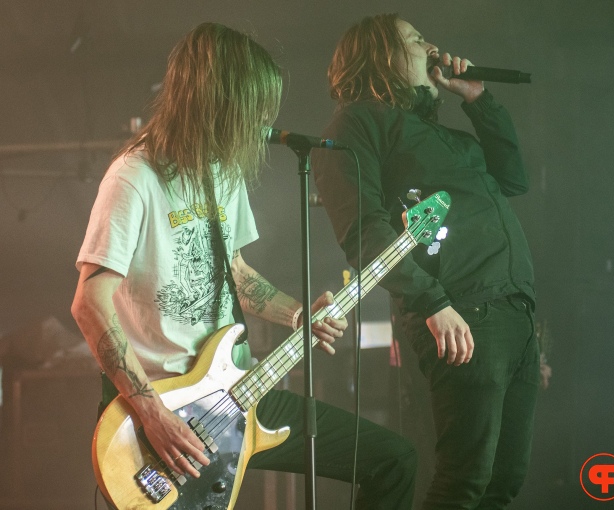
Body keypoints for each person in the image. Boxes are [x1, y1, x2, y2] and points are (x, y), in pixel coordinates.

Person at [70, 22, 415, 510]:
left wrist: (300, 316)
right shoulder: (134, 177)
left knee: (392, 460)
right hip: (164, 411)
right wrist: (152, 415)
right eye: (254, 106)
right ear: (218, 101)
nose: (262, 121)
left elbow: (232, 270)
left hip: (237, 388)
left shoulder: (221, 170)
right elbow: (89, 303)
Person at [313, 13, 539, 509]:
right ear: (382, 56)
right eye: (415, 39)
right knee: (466, 481)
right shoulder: (357, 122)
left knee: (503, 483)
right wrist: (433, 301)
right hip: (461, 312)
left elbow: (514, 178)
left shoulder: (444, 135)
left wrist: (479, 99)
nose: (431, 45)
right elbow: (362, 230)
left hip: (512, 312)